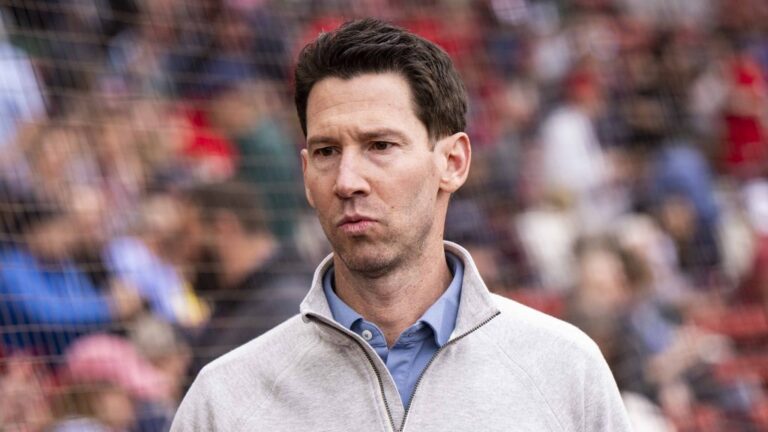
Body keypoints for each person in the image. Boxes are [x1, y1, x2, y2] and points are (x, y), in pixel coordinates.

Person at [171, 18, 631, 431]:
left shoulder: (567, 371)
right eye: (328, 152)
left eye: (381, 145)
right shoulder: (224, 401)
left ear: (452, 162)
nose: (348, 181)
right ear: (306, 176)